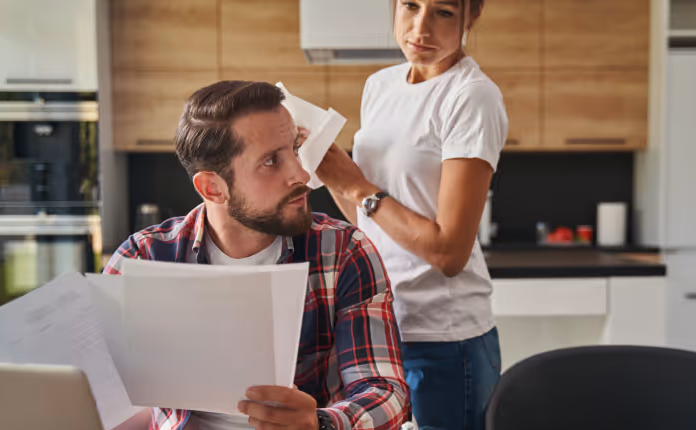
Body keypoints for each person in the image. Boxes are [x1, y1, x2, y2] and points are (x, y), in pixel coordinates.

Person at [104, 81, 409, 430]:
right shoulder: (141, 260)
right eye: (270, 161)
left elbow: (385, 390)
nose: (302, 174)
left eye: (294, 149)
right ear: (213, 188)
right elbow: (106, 400)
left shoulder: (344, 252)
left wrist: (321, 423)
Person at [315, 1, 507, 429]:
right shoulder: (380, 86)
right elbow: (368, 217)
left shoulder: (471, 96)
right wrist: (331, 171)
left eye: (442, 11)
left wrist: (356, 185)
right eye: (411, 6)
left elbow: (449, 253)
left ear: (470, 17)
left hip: (442, 337)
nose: (420, 27)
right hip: (379, 325)